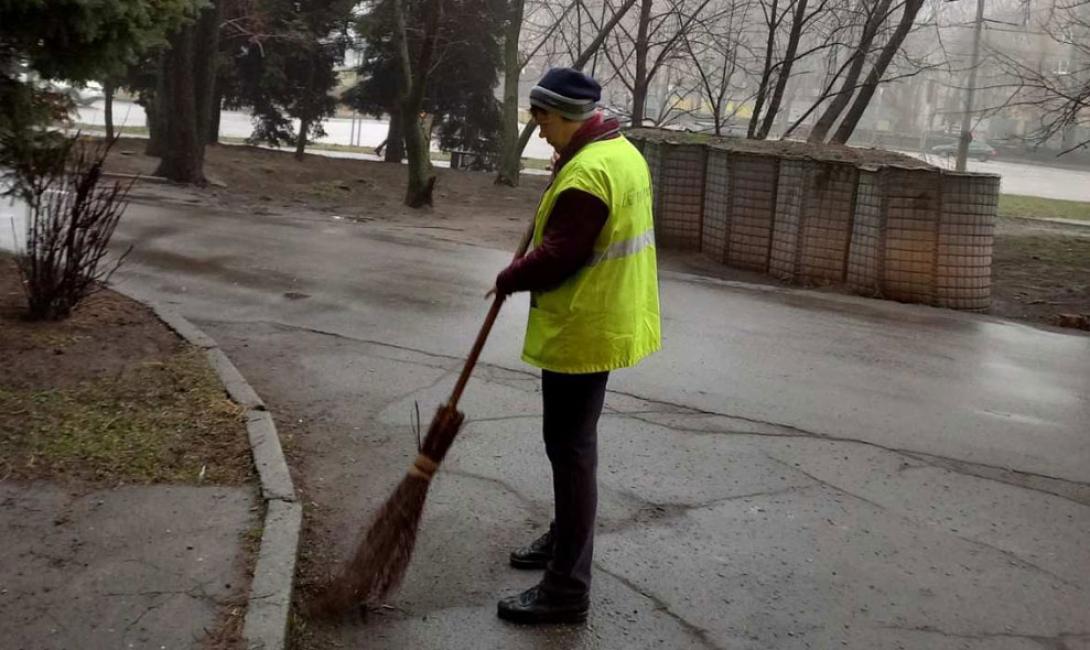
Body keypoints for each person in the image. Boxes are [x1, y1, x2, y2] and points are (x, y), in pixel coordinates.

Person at [491, 67, 661, 625]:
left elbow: (559, 256)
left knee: (570, 453)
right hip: (607, 317)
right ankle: (563, 539)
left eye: (541, 118)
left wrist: (510, 277)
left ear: (566, 116)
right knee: (572, 449)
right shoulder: (617, 151)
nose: (538, 129)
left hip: (584, 327)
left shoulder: (588, 173)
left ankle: (565, 590)